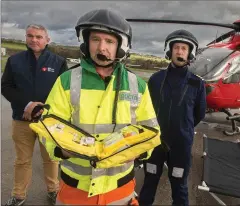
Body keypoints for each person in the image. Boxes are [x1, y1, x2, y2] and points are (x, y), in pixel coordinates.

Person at [37, 9, 159, 205]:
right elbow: (47, 129)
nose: (102, 48)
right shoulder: (66, 82)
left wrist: (139, 152)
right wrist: (61, 150)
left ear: (121, 46)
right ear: (86, 43)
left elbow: (152, 131)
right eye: (95, 39)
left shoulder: (138, 86)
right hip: (75, 190)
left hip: (120, 190)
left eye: (109, 41)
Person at [1, 24, 68, 206]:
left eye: (39, 37)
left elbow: (65, 92)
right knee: (22, 160)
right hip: (22, 120)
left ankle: (54, 191)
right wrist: (28, 104)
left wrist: (44, 109)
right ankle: (19, 195)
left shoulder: (58, 62)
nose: (34, 40)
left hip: (49, 122)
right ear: (26, 38)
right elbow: (5, 87)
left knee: (51, 160)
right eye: (30, 36)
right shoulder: (14, 60)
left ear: (47, 40)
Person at [138, 29, 207, 206]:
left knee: (179, 186)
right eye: (176, 47)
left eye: (184, 48)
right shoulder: (155, 79)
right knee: (149, 181)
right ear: (170, 51)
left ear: (189, 53)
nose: (179, 51)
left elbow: (199, 114)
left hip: (181, 145)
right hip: (155, 143)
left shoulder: (197, 83)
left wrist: (182, 128)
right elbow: (146, 109)